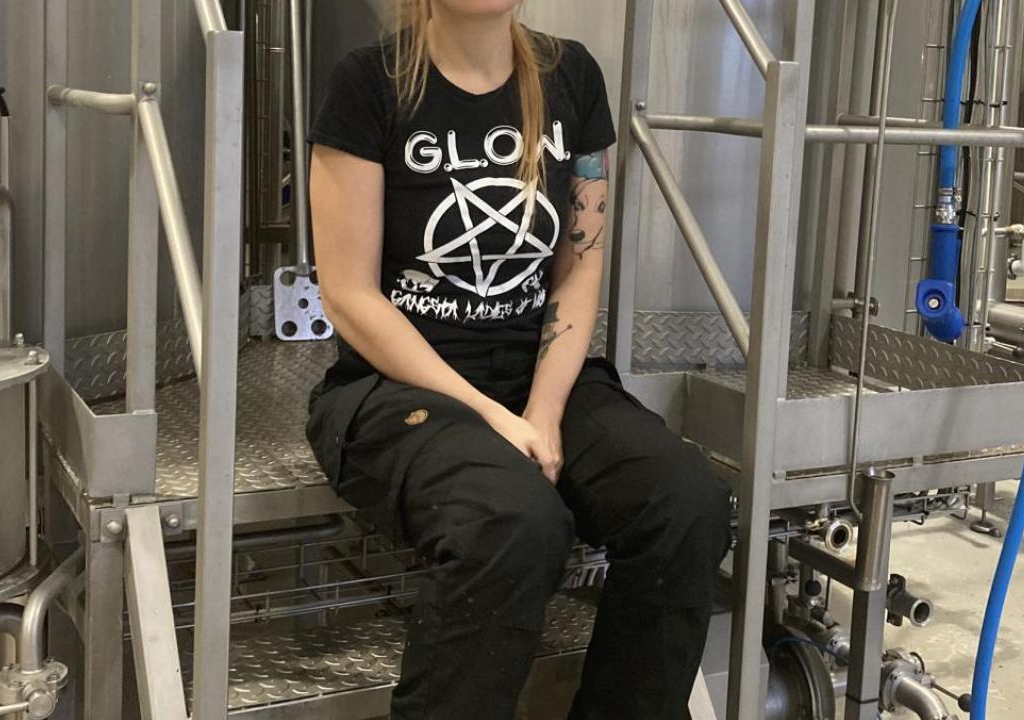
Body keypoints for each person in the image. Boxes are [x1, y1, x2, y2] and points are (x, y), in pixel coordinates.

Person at [305, 1, 732, 718]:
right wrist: (489, 415)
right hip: (396, 387)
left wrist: (543, 408)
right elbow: (349, 295)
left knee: (686, 505)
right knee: (513, 523)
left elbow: (580, 266)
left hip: (537, 374)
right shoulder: (370, 82)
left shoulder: (572, 76)